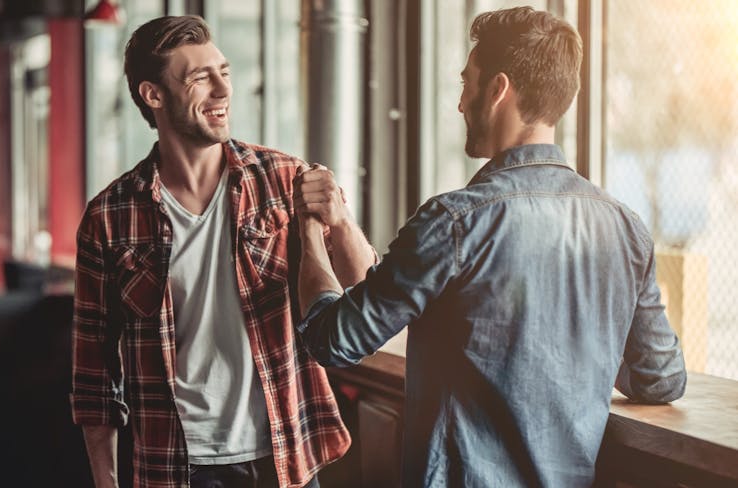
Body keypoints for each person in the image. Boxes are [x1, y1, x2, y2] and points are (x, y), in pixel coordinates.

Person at [294, 6, 687, 487]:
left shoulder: (455, 222)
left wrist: (311, 233)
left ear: (498, 89)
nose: (460, 103)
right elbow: (662, 380)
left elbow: (333, 340)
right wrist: (587, 347)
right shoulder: (626, 228)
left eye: (467, 82)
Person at [70, 15, 376, 488]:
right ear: (153, 95)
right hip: (173, 464)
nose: (222, 90)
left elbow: (361, 286)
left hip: (282, 452)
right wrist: (105, 480)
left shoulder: (283, 178)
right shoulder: (109, 216)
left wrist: (340, 219)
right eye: (199, 78)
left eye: (224, 72)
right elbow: (94, 371)